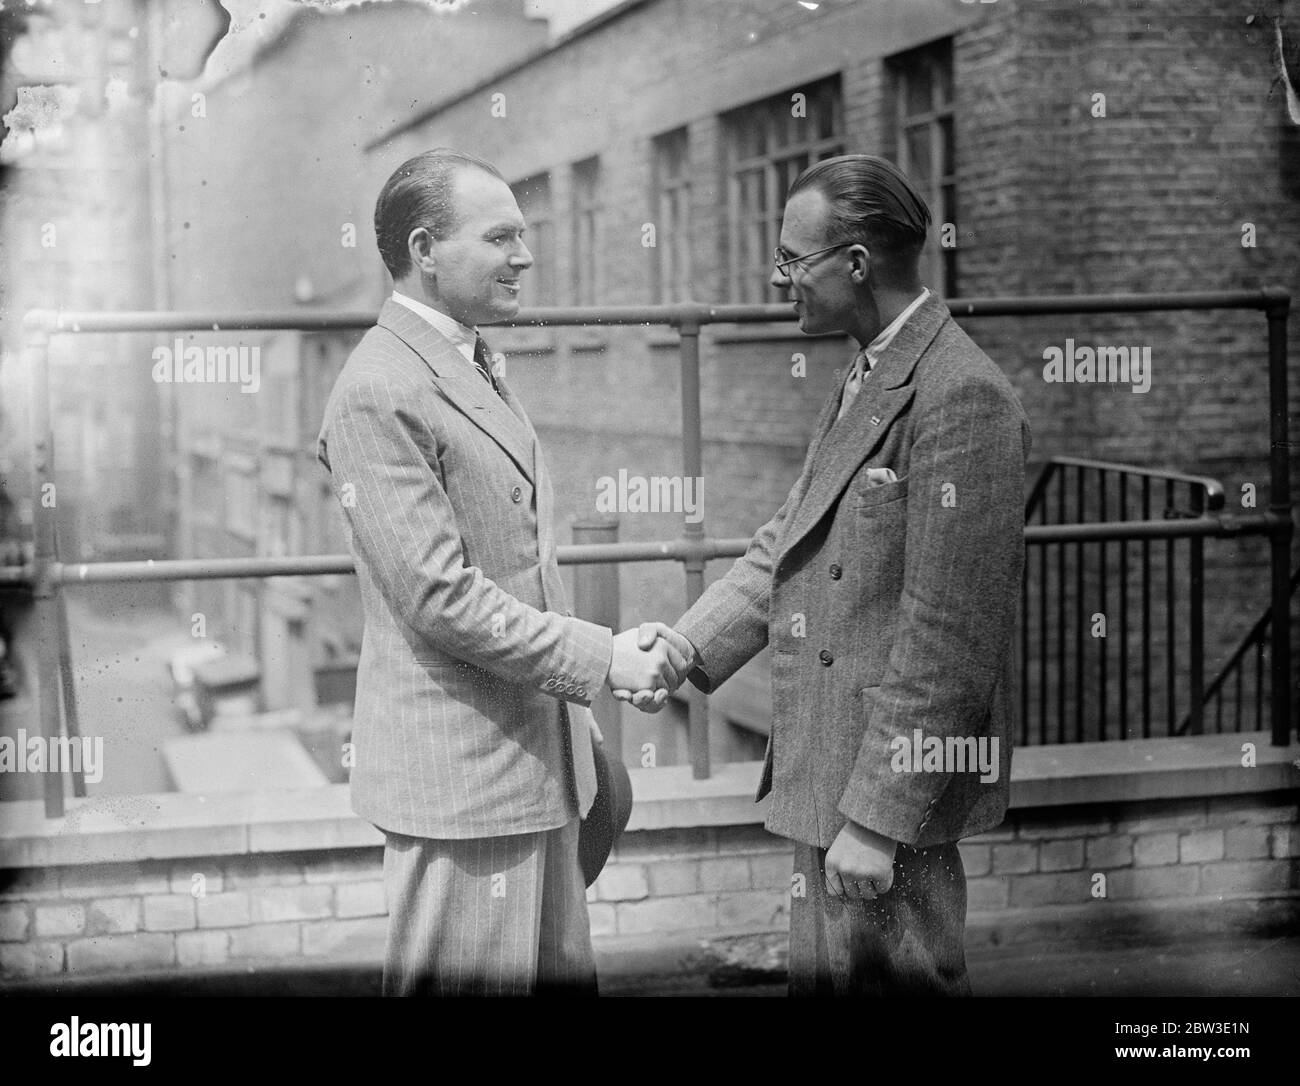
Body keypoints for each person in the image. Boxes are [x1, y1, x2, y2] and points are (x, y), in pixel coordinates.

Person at [618, 154, 1031, 996]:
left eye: (791, 260)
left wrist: (879, 820)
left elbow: (949, 636)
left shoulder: (962, 395)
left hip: (884, 802)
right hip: (830, 775)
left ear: (854, 263)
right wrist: (684, 644)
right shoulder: (870, 369)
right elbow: (786, 542)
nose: (779, 280)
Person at [317, 148, 684, 996]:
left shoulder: (466, 359)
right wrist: (603, 660)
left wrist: (574, 713)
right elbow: (439, 597)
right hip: (463, 780)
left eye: (525, 236)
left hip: (534, 757)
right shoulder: (379, 388)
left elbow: (518, 560)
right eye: (501, 237)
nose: (525, 256)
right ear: (425, 249)